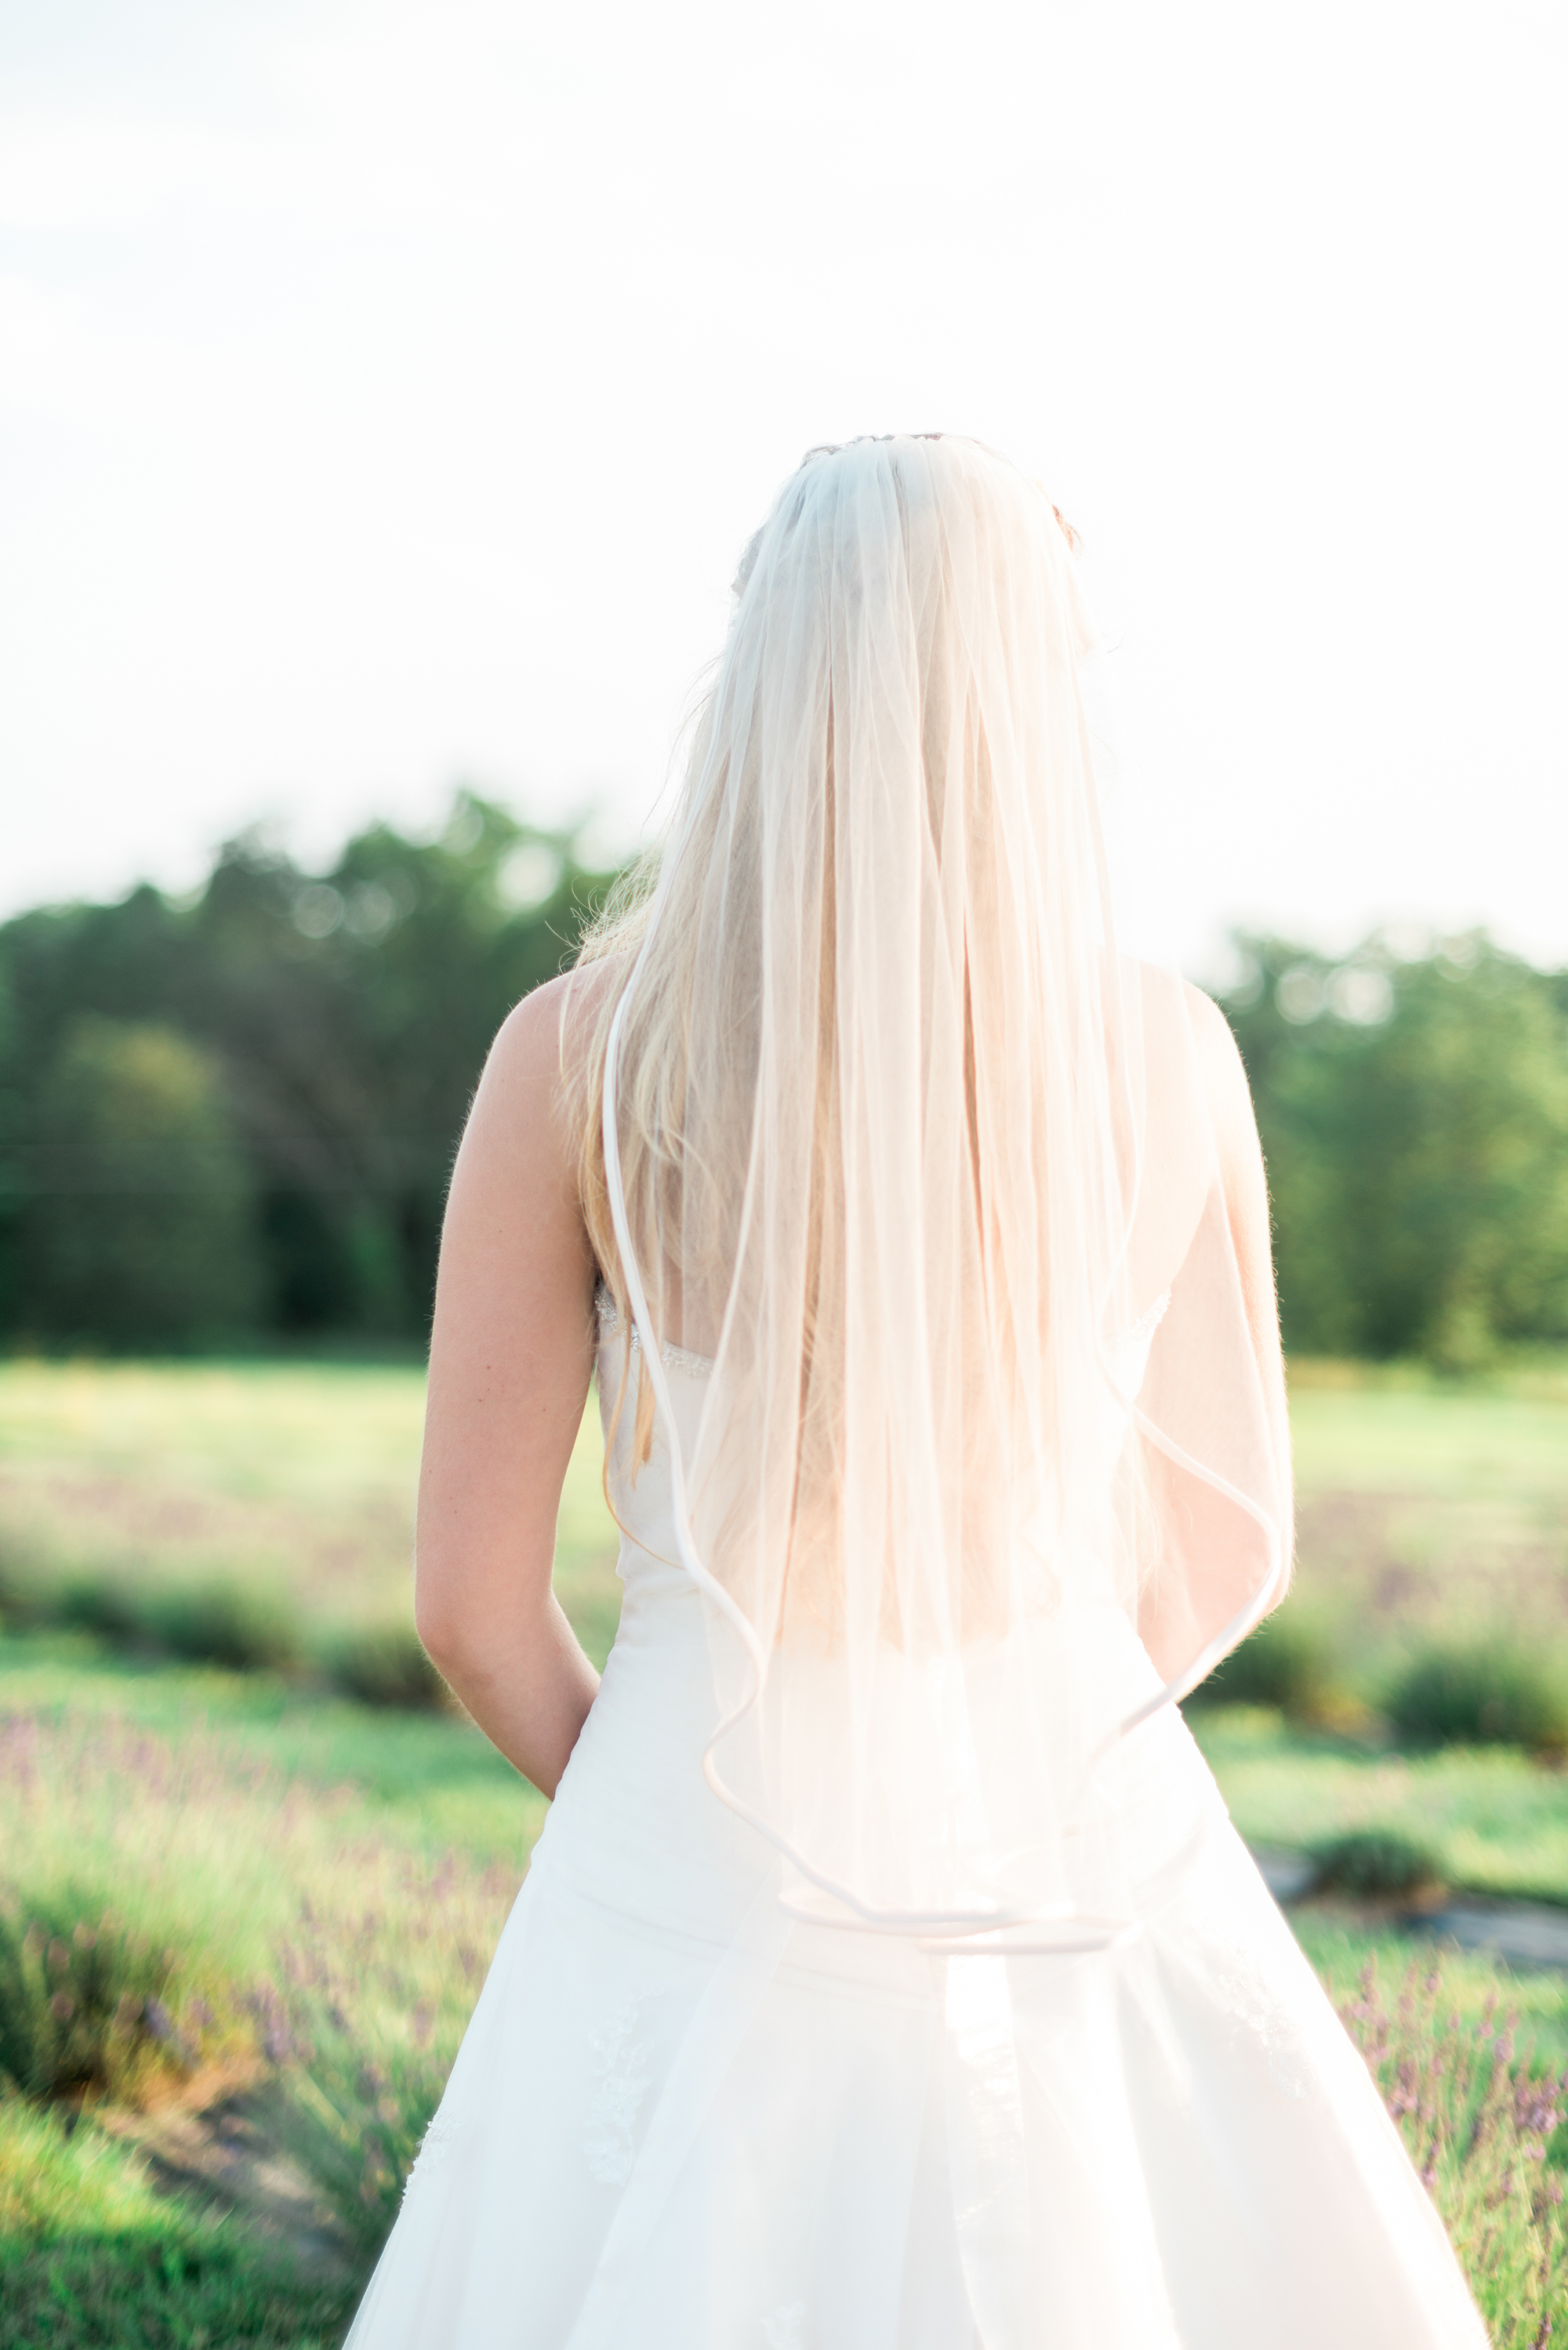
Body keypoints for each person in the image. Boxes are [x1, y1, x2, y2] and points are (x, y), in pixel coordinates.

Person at [346, 437, 1487, 2347]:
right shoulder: (1168, 1056)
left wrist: (646, 1797)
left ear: (763, 679)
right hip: (1074, 1846)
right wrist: (1007, 1741)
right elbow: (1233, 1537)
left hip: (687, 1862)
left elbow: (467, 1602)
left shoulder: (579, 1059)